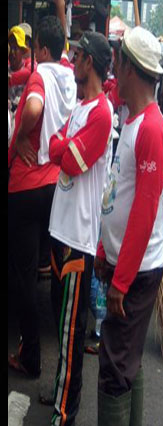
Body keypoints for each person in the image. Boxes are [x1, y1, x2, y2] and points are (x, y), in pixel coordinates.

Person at [94, 26, 163, 426]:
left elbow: (143, 214)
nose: (113, 72)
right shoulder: (135, 121)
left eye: (117, 63)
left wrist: (120, 281)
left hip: (136, 273)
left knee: (113, 368)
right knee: (127, 360)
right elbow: (116, 193)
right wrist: (106, 251)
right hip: (125, 265)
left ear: (129, 69)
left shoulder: (152, 129)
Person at [45, 31, 114, 426]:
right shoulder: (81, 108)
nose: (72, 59)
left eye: (78, 54)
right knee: (63, 328)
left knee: (71, 335)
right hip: (62, 230)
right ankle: (61, 394)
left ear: (90, 62)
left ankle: (65, 412)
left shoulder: (101, 113)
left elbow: (68, 159)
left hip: (78, 239)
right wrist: (62, 145)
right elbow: (59, 144)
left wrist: (61, 145)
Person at [8, 15, 77, 380]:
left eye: (33, 49)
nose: (30, 55)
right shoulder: (67, 75)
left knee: (23, 278)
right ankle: (66, 352)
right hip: (55, 187)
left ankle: (30, 357)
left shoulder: (41, 77)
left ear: (43, 50)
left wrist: (20, 137)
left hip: (26, 186)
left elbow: (33, 107)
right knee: (52, 269)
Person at [8, 25, 35, 107]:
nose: (12, 52)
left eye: (15, 48)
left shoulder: (31, 71)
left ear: (23, 51)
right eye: (10, 48)